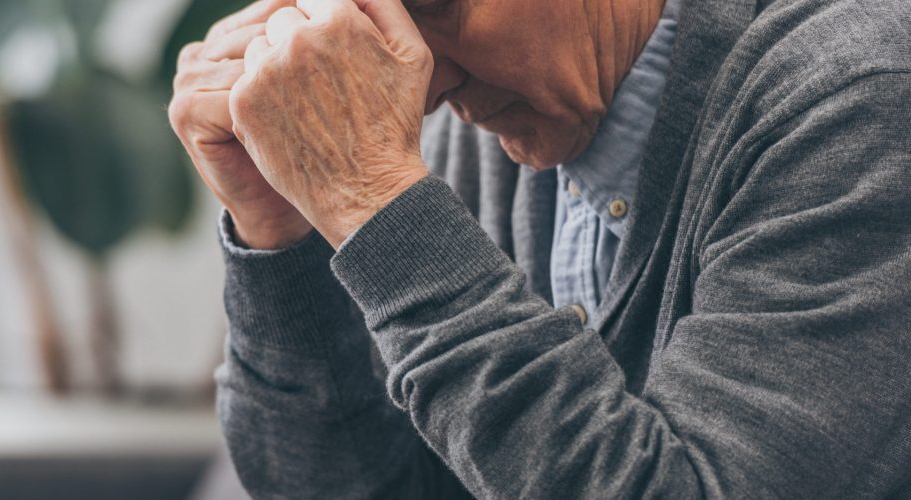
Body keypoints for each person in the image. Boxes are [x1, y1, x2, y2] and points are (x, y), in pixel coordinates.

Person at [168, 0, 911, 496]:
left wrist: (379, 205)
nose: (416, 83)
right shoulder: (480, 120)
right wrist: (280, 235)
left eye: (437, 5)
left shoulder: (862, 95)